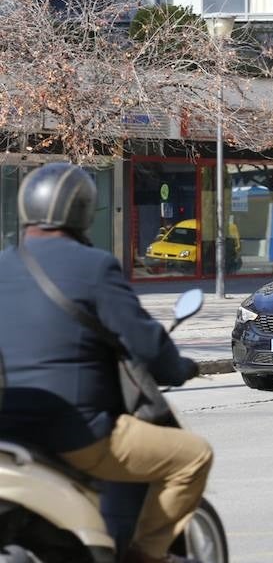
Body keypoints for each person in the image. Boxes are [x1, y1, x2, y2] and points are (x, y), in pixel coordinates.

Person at [0, 164, 210, 563]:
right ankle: (145, 555)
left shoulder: (2, 266)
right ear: (83, 212)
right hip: (79, 436)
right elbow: (146, 345)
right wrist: (179, 368)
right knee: (193, 456)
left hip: (8, 432)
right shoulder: (94, 267)